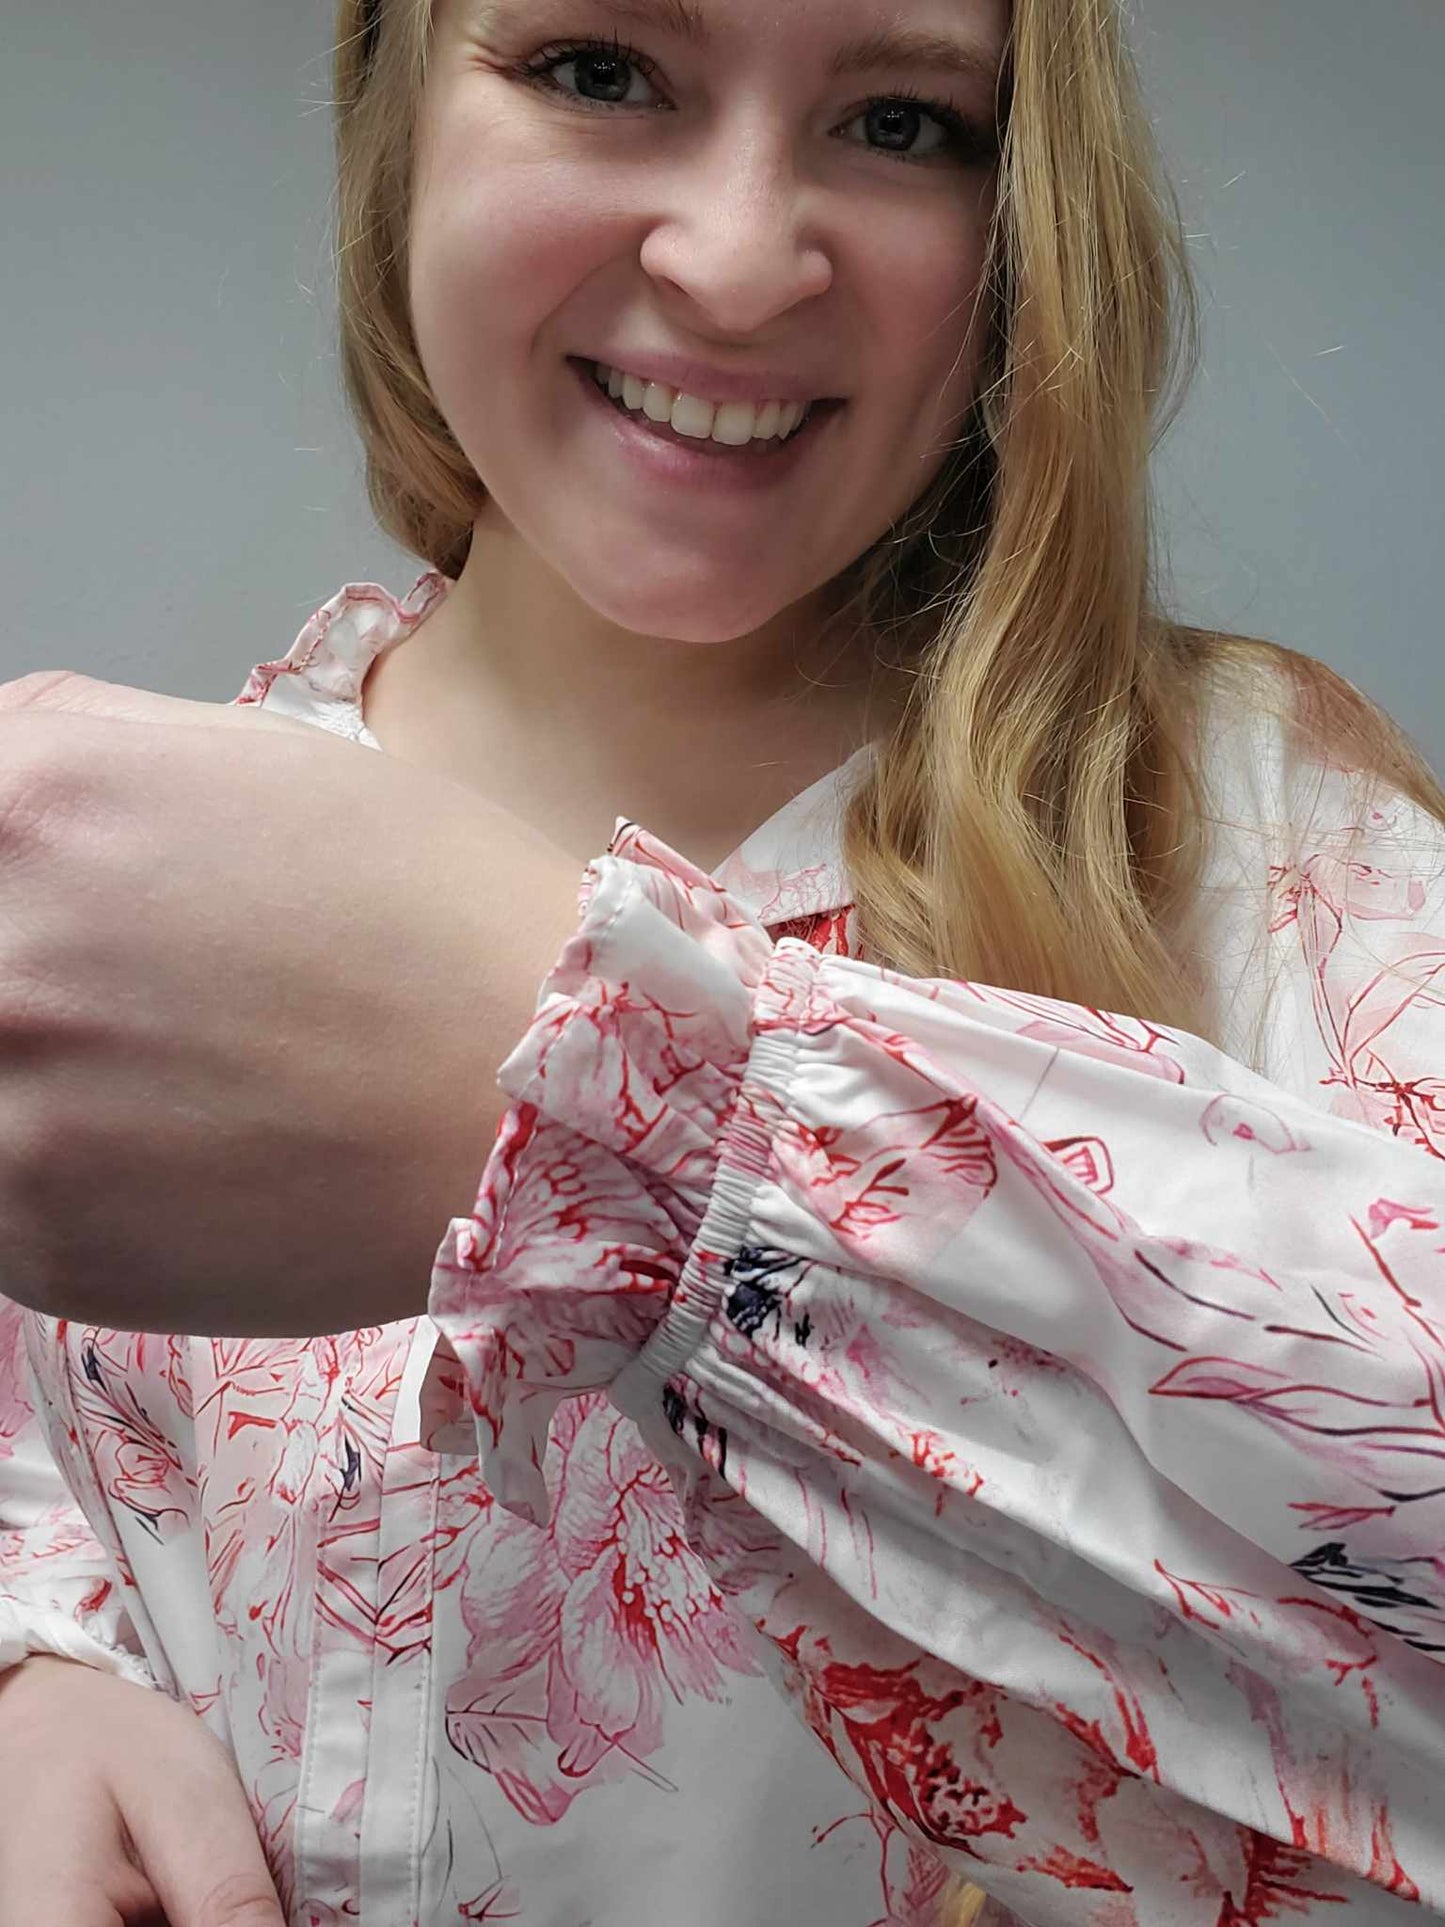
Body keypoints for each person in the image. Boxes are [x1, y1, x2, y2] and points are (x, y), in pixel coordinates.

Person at [0, 0, 1441, 1921]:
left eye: (904, 121)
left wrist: (654, 1109)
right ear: (394, 110)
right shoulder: (115, 862)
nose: (739, 261)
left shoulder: (1266, 861)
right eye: (601, 72)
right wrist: (30, 1671)